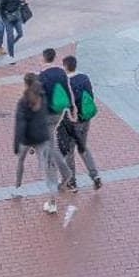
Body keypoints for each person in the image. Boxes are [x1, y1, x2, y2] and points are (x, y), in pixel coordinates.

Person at [13, 72, 64, 214]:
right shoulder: (43, 97)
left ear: (25, 84)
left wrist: (16, 144)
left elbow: (20, 124)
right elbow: (45, 117)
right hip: (42, 138)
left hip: (27, 139)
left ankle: (17, 184)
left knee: (20, 160)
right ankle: (52, 203)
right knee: (48, 170)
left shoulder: (23, 102)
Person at [57, 54, 102, 191]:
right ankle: (95, 175)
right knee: (83, 148)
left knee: (69, 152)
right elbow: (90, 96)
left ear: (65, 67)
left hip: (72, 121)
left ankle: (72, 182)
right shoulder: (84, 78)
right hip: (85, 119)